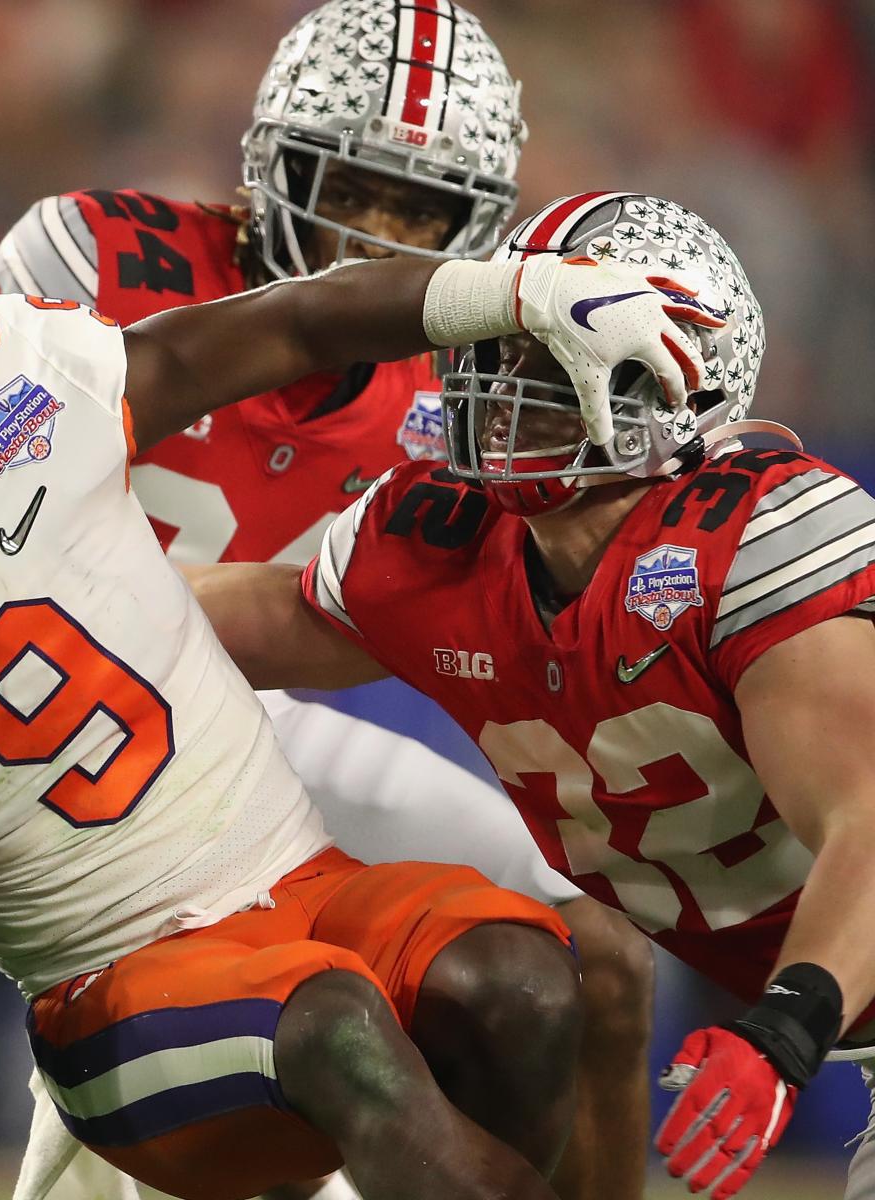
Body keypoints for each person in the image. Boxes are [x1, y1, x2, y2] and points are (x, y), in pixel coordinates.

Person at [0, 251, 706, 1198]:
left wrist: (508, 291)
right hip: (113, 986)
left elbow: (296, 324)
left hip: (305, 881)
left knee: (523, 983)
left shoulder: (0, 386)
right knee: (339, 1027)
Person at [0, 5, 655, 1196]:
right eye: (350, 186)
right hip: (46, 736)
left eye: (420, 213)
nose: (373, 239)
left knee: (597, 960)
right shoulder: (93, 263)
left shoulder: (461, 382)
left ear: (476, 229)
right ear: (272, 165)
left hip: (240, 729)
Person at [188, 189, 875, 1200]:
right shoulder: (448, 545)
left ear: (672, 382)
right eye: (503, 348)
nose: (503, 387)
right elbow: (209, 623)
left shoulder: (753, 538)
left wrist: (784, 1028)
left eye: (551, 362)